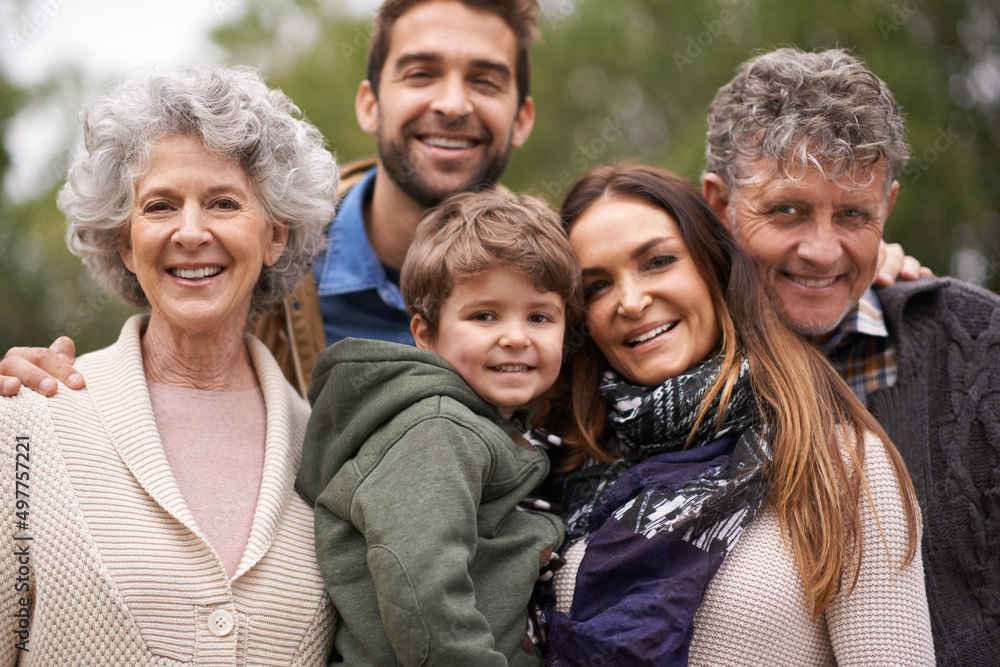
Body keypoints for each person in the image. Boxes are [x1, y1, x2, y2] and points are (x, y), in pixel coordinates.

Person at [0, 0, 923, 399]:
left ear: (521, 117)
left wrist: (850, 260)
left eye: (483, 79)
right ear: (370, 102)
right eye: (421, 72)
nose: (451, 102)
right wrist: (46, 377)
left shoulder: (568, 274)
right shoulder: (262, 268)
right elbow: (155, 350)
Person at [0, 66, 339, 665]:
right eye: (160, 206)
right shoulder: (25, 425)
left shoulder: (329, 456)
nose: (190, 232)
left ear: (275, 237)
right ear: (126, 243)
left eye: (224, 202)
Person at [543, 164, 933, 665]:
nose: (632, 301)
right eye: (596, 286)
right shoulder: (566, 465)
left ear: (712, 265)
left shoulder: (839, 462)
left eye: (658, 261)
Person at [700, 47, 1000, 666]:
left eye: (854, 216)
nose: (821, 250)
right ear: (718, 204)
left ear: (887, 208)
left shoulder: (977, 348)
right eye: (787, 210)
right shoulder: (662, 365)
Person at [295, 191, 579, 665]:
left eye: (539, 316)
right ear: (425, 335)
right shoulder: (437, 429)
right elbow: (423, 586)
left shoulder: (482, 423)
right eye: (484, 315)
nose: (516, 336)